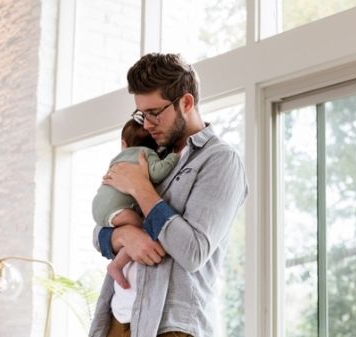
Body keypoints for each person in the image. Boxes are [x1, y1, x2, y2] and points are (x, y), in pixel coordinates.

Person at [89, 53, 248, 337]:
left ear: (186, 103)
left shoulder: (220, 161)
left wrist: (140, 188)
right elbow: (98, 233)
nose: (147, 124)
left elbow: (193, 251)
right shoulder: (149, 155)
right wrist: (125, 236)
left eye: (154, 113)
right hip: (117, 318)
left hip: (170, 327)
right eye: (141, 114)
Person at [91, 119, 180, 290]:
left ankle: (116, 264)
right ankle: (116, 265)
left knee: (135, 232)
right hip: (118, 211)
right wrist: (173, 157)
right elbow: (157, 172)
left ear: (123, 143)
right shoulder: (145, 154)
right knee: (144, 230)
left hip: (99, 207)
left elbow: (97, 238)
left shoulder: (117, 159)